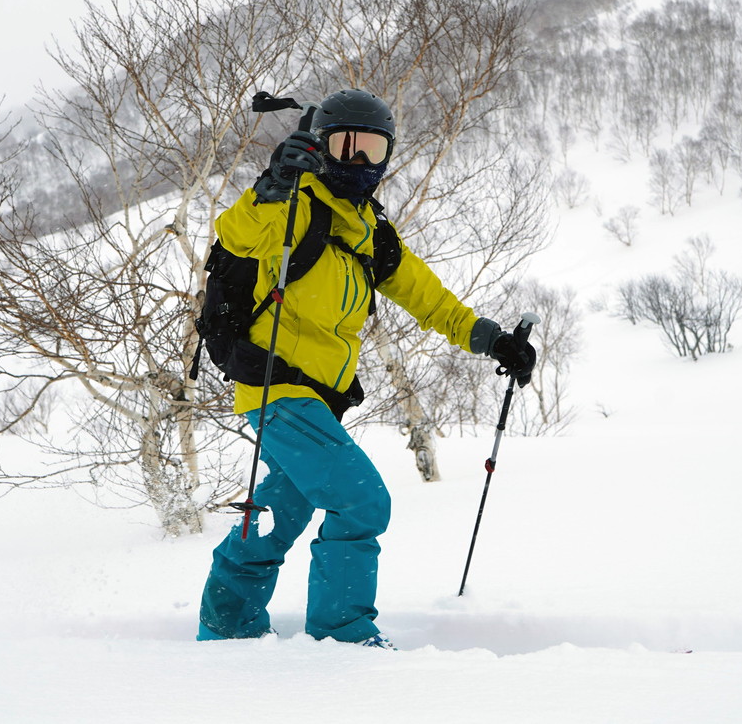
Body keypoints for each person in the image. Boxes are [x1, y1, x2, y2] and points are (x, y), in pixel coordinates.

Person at [197, 88, 535, 649]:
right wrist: (271, 183)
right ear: (320, 146)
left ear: (387, 155)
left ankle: (227, 624)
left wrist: (494, 340)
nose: (357, 160)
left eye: (371, 148)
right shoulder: (295, 205)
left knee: (282, 509)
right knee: (362, 499)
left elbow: (430, 299)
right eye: (343, 145)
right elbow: (236, 235)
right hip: (276, 391)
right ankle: (343, 637)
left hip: (316, 402)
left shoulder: (369, 231)